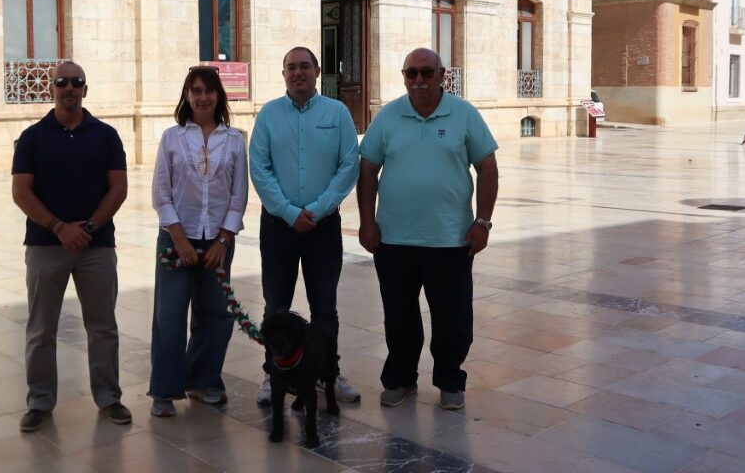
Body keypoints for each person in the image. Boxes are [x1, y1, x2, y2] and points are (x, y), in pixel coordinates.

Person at [357, 48, 499, 411]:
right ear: (404, 77)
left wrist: (482, 222)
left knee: (453, 318)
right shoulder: (388, 116)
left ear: (441, 75)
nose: (418, 80)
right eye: (411, 73)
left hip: (451, 239)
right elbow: (368, 168)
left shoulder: (464, 114)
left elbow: (487, 166)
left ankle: (450, 381)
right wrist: (367, 221)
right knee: (399, 317)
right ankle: (400, 379)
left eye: (426, 72)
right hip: (394, 240)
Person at [11, 61, 131, 432]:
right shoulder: (32, 138)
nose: (69, 88)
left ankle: (109, 397)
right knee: (41, 329)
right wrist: (59, 227)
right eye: (62, 82)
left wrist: (90, 227)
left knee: (103, 327)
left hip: (97, 247)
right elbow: (21, 191)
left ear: (85, 89)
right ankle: (39, 402)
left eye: (76, 82)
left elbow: (119, 187)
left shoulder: (106, 136)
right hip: (46, 245)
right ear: (52, 88)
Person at [249, 46, 361, 405]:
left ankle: (329, 374)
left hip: (322, 228)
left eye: (304, 66)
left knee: (325, 308)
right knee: (275, 307)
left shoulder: (337, 112)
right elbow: (259, 168)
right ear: (284, 74)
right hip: (278, 227)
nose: (297, 73)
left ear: (317, 71)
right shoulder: (269, 115)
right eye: (291, 67)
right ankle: (273, 375)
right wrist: (287, 212)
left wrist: (316, 210)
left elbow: (348, 166)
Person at [148, 66, 249, 417]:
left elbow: (238, 196)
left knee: (216, 313)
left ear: (219, 95)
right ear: (187, 96)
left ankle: (204, 381)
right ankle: (164, 390)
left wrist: (223, 240)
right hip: (176, 238)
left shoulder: (234, 140)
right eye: (196, 91)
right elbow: (161, 193)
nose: (202, 97)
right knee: (169, 314)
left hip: (218, 241)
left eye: (209, 90)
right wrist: (179, 239)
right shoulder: (172, 138)